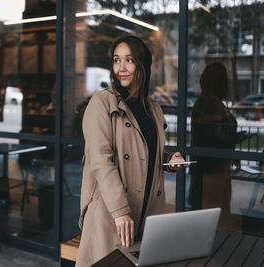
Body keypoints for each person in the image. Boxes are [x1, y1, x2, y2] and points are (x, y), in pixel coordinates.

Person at [76, 35, 186, 266]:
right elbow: (101, 160)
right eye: (117, 60)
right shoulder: (101, 103)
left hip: (147, 210)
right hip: (111, 213)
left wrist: (169, 158)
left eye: (129, 60)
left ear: (142, 65)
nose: (121, 68)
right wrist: (120, 211)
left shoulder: (153, 108)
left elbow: (146, 151)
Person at [188, 62, 247, 230]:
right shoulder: (210, 105)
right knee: (213, 220)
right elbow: (213, 138)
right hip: (211, 171)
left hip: (214, 169)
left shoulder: (209, 103)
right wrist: (235, 139)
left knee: (215, 217)